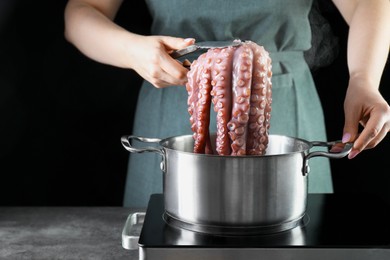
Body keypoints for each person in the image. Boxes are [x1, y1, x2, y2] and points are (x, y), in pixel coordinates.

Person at [64, 0, 390, 208]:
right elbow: (81, 12)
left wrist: (363, 78)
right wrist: (132, 51)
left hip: (286, 104)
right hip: (172, 94)